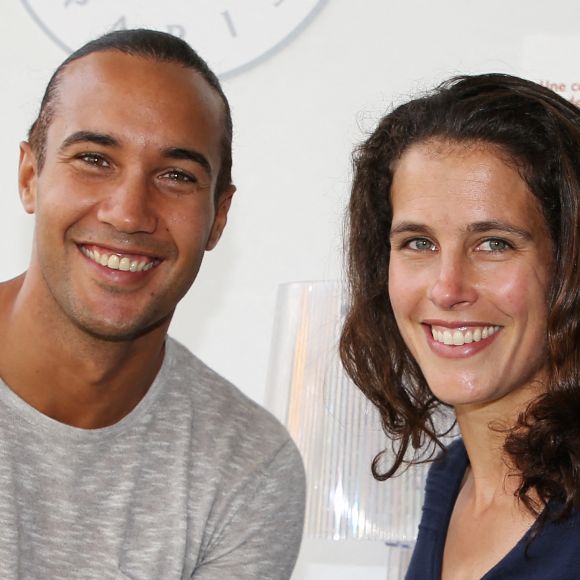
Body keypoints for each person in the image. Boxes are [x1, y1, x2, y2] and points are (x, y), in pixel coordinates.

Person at [0, 28, 305, 579]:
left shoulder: (248, 467)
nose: (128, 212)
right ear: (29, 177)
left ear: (218, 216)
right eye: (94, 159)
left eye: (175, 176)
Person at [340, 73, 580, 579]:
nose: (448, 289)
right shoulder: (452, 478)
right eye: (419, 243)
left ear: (569, 266)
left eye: (494, 243)